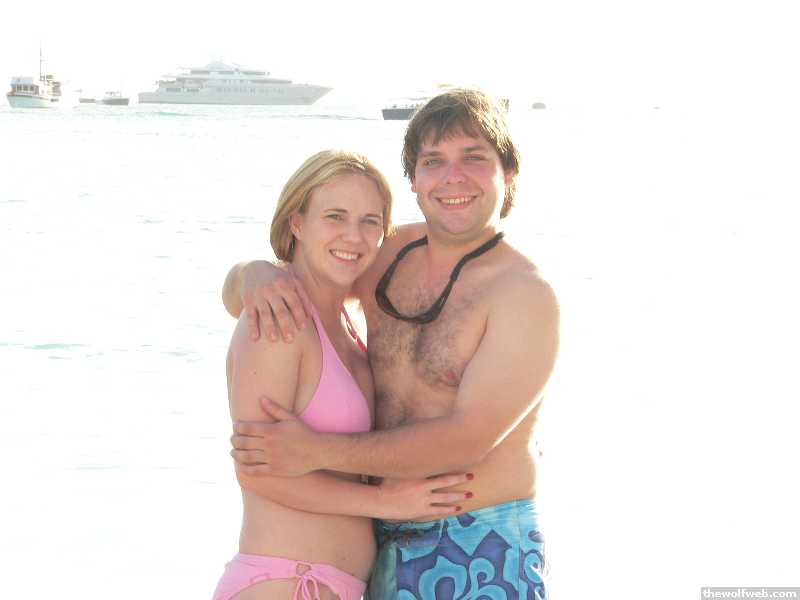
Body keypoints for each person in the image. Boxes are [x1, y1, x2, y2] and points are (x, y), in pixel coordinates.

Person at [223, 90, 559, 600]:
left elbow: (466, 440)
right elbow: (298, 286)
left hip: (480, 540)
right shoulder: (385, 253)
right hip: (380, 547)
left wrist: (315, 451)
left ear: (508, 174)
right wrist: (252, 274)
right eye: (433, 161)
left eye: (473, 158)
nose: (452, 177)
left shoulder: (525, 295)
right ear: (414, 179)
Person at [215, 149, 472, 600]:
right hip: (286, 582)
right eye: (335, 216)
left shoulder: (349, 321)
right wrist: (386, 503)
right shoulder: (279, 322)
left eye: (370, 221)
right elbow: (258, 473)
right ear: (297, 223)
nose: (353, 236)